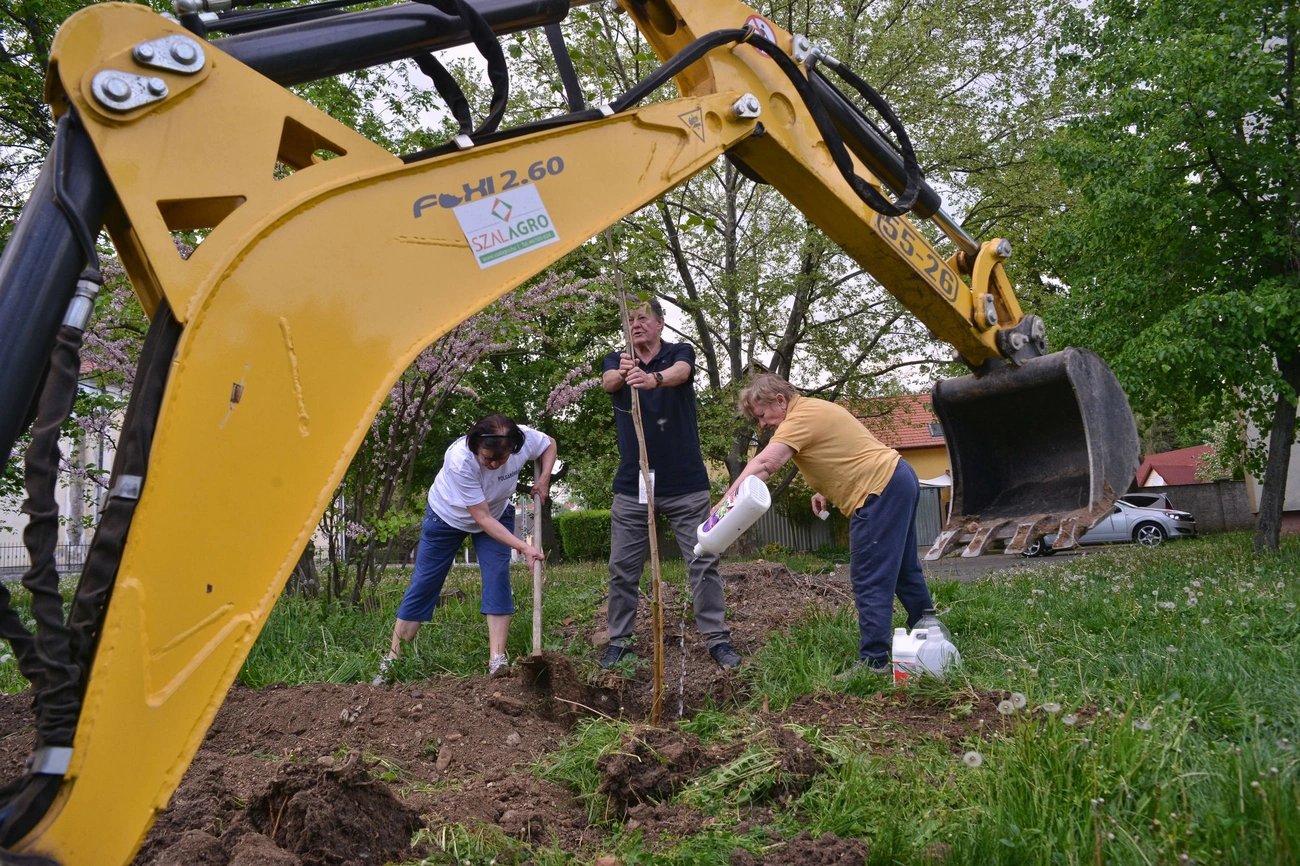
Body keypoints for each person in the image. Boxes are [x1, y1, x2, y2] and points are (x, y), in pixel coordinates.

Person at [730, 373, 933, 674]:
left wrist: (726, 502)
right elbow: (843, 448)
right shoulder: (814, 408)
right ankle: (931, 633)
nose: (762, 424)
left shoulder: (798, 419)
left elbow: (765, 463)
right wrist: (823, 488)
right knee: (903, 568)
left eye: (761, 415)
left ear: (780, 400)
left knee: (869, 577)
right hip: (897, 477)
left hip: (878, 490)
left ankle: (873, 661)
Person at [599, 297, 741, 670]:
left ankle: (717, 640)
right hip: (634, 485)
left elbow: (682, 371)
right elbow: (608, 382)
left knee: (703, 561)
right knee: (623, 568)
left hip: (685, 484)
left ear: (660, 323)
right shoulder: (618, 359)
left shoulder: (679, 352)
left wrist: (653, 379)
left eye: (643, 317)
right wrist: (624, 373)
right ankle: (619, 642)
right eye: (630, 319)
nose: (635, 324)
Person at [375, 413, 556, 683]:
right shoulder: (459, 459)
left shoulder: (523, 440)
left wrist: (544, 478)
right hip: (447, 516)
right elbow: (481, 519)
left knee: (497, 577)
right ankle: (392, 661)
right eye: (488, 458)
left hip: (497, 511)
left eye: (502, 459)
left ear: (514, 448)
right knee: (425, 582)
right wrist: (524, 547)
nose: (494, 465)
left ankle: (497, 661)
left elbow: (549, 443)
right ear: (475, 445)